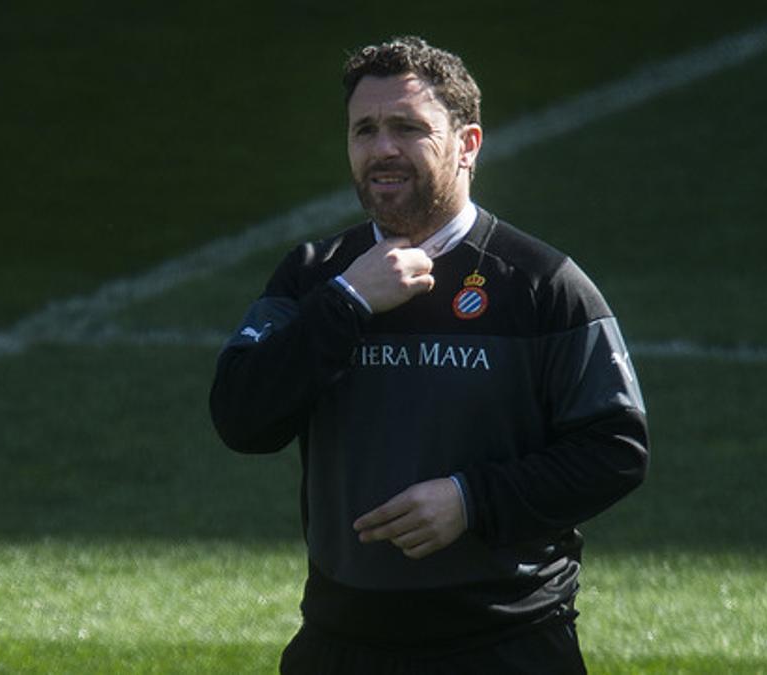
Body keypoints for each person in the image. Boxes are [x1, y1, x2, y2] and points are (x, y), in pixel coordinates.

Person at [209, 36, 648, 674]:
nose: (381, 148)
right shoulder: (315, 277)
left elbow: (616, 451)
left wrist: (472, 500)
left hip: (505, 644)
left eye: (407, 128)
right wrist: (348, 300)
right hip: (343, 641)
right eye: (365, 130)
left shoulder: (542, 283)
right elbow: (241, 418)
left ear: (468, 144)